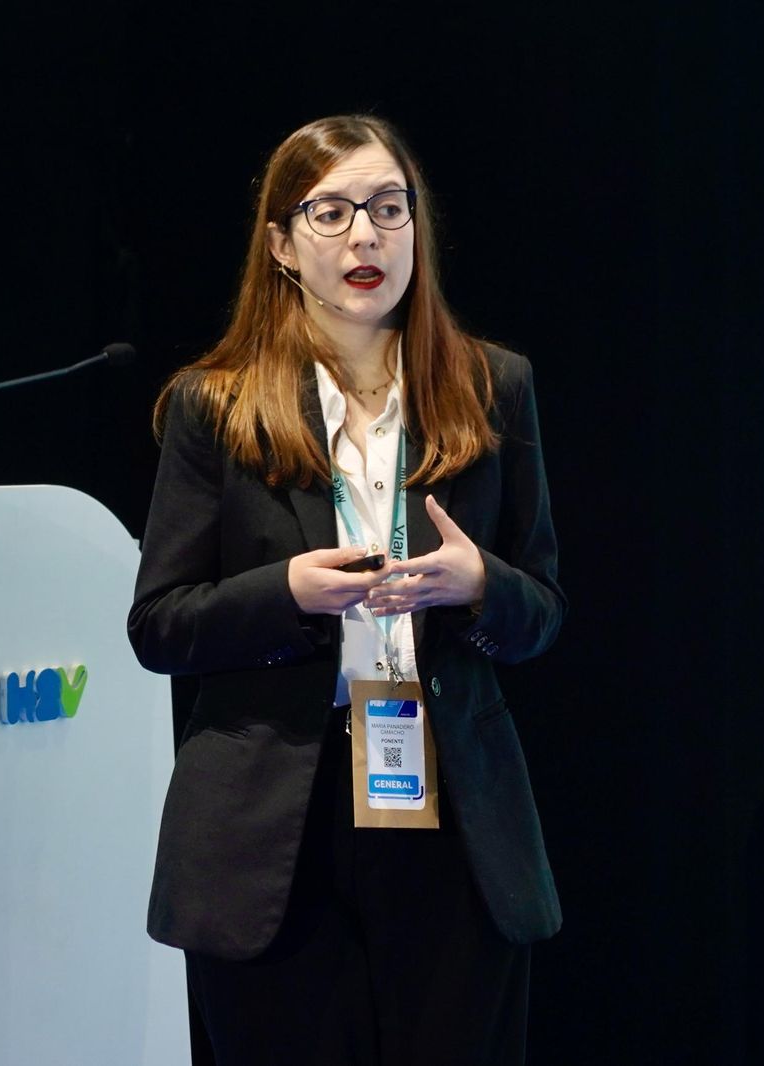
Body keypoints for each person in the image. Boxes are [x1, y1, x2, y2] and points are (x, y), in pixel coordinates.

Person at [127, 114, 565, 1065]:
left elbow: (543, 614)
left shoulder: (494, 388)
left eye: (388, 207)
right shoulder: (217, 405)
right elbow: (159, 627)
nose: (365, 236)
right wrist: (285, 591)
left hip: (449, 812)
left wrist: (480, 585)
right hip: (274, 814)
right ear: (281, 246)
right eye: (330, 212)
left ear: (418, 227)